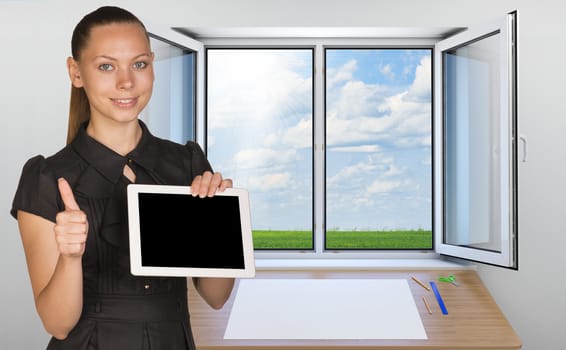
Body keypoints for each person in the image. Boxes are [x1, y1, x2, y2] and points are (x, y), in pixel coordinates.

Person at [10, 6, 235, 350]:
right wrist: (70, 258)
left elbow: (216, 297)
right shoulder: (47, 177)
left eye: (139, 64)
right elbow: (57, 324)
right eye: (106, 66)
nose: (126, 82)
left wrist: (218, 222)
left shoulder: (186, 163)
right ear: (76, 72)